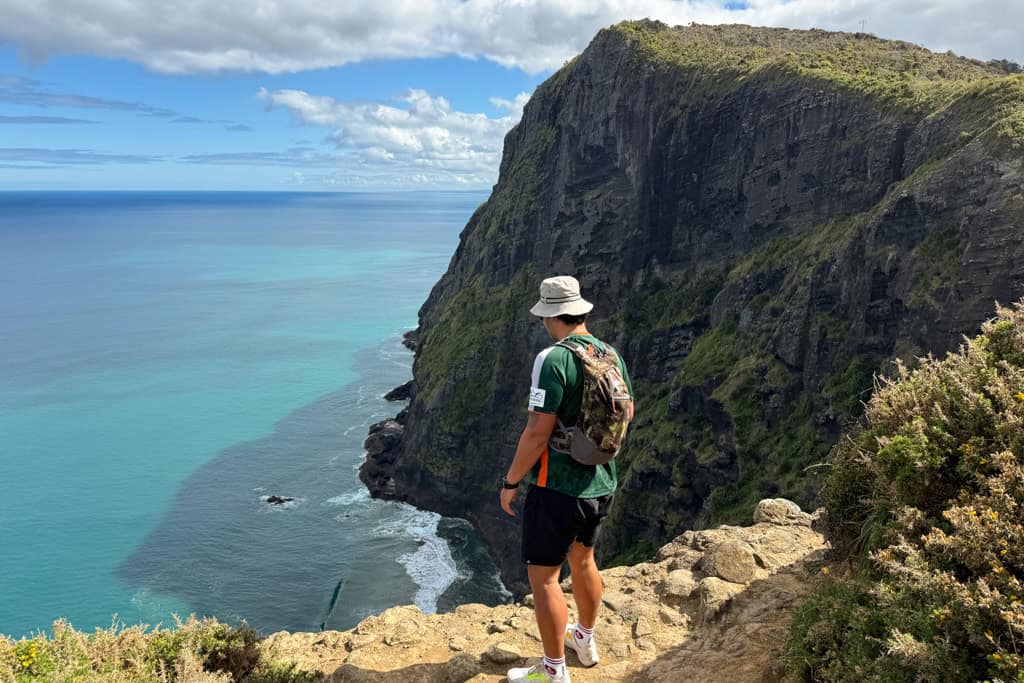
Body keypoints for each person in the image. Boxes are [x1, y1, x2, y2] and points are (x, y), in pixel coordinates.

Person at [500, 275, 635, 683]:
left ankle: (554, 671)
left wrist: (511, 482)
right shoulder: (609, 354)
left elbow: (538, 431)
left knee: (544, 580)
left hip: (557, 488)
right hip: (602, 481)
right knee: (585, 561)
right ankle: (585, 640)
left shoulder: (553, 359)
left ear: (549, 315)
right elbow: (626, 414)